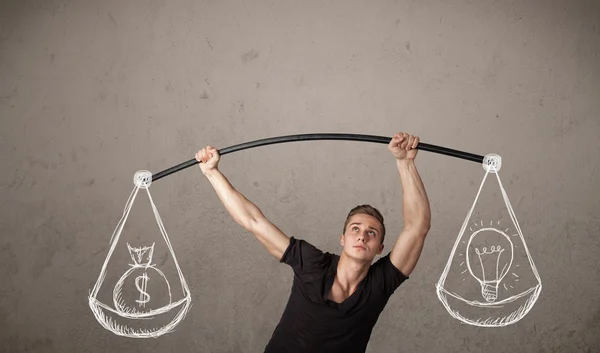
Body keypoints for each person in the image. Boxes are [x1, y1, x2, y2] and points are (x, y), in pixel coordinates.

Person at [196, 132, 431, 353]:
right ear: (342, 239)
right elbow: (254, 221)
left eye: (372, 233)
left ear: (380, 248)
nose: (362, 236)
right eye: (355, 229)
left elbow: (417, 227)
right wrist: (212, 172)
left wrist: (405, 163)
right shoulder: (312, 263)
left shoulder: (381, 282)